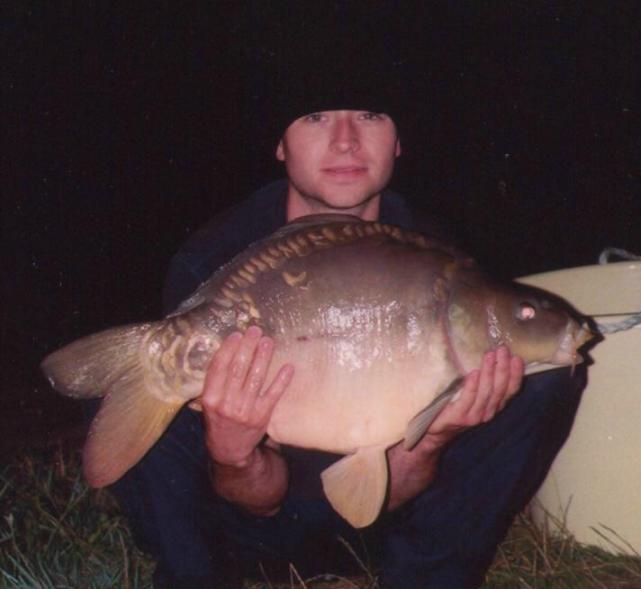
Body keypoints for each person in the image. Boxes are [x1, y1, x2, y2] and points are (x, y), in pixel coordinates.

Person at [109, 90, 586, 589]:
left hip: (389, 520)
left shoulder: (435, 254)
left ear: (398, 139)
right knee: (143, 374)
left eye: (369, 115)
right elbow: (256, 499)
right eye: (316, 117)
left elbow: (392, 487)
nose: (345, 142)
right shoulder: (212, 256)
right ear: (280, 143)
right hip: (247, 528)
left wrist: (435, 437)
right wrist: (234, 453)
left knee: (541, 382)